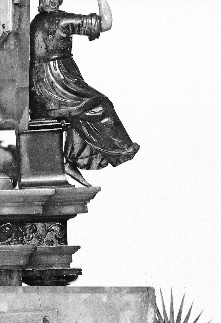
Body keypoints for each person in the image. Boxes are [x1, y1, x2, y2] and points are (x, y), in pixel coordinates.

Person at [30, 0, 139, 186]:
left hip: (38, 88)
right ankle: (79, 158)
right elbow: (106, 23)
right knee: (99, 106)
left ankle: (68, 161)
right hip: (58, 84)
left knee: (78, 111)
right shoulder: (62, 20)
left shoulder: (35, 22)